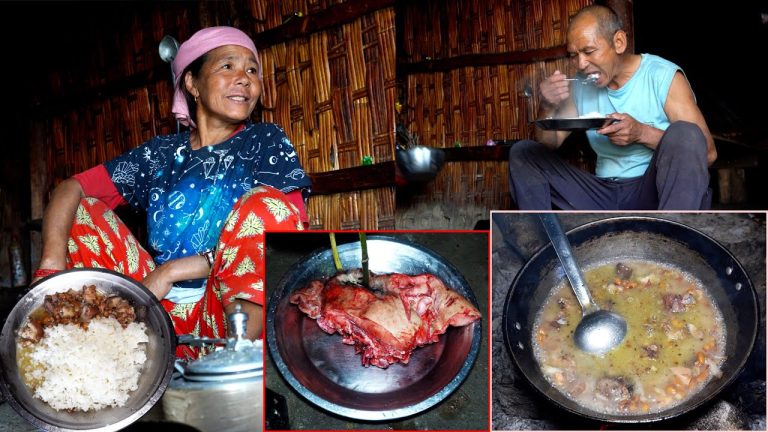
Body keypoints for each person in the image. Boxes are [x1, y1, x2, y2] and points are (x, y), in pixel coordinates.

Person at [33, 26, 312, 359]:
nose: (244, 78)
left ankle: (234, 366)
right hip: (153, 312)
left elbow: (284, 235)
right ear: (192, 83)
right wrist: (50, 268)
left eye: (252, 70)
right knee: (80, 210)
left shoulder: (264, 141)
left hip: (223, 319)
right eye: (228, 66)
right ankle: (103, 349)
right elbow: (71, 187)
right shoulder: (159, 155)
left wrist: (170, 271)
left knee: (267, 205)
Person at [508, 5, 716, 210]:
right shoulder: (582, 84)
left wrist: (641, 133)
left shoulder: (662, 76)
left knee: (685, 133)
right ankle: (545, 237)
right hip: (601, 194)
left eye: (589, 51)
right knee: (524, 153)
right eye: (574, 55)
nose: (580, 64)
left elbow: (707, 153)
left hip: (653, 191)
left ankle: (672, 235)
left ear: (618, 42)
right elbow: (549, 143)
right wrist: (547, 105)